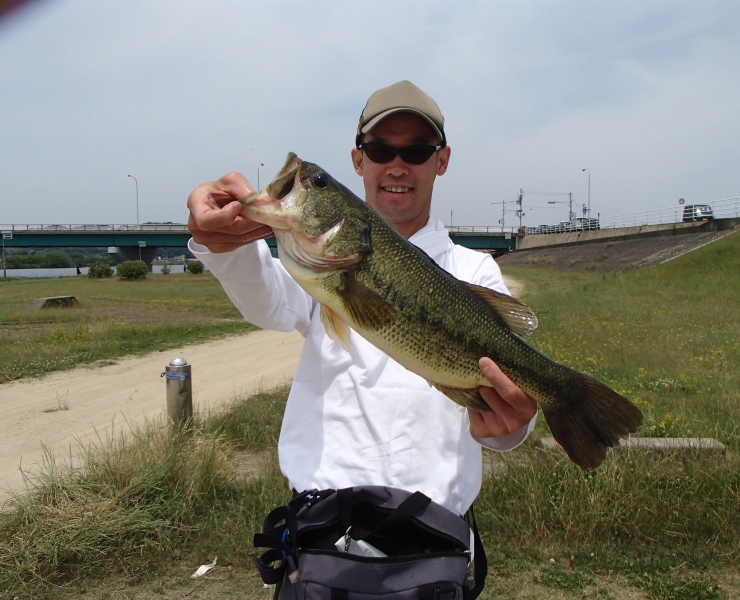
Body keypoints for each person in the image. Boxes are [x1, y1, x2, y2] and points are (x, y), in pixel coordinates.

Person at [186, 80, 538, 519]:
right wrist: (225, 243)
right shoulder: (320, 268)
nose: (396, 166)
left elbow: (505, 405)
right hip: (323, 526)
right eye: (379, 150)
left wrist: (511, 429)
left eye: (416, 151)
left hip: (434, 535)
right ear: (358, 159)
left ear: (441, 160)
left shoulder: (475, 270)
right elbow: (266, 301)